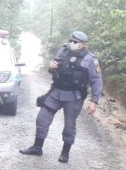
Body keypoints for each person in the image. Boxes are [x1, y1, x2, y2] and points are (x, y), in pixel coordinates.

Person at [19, 31, 103, 163]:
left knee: (69, 125)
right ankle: (37, 147)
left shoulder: (90, 59)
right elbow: (54, 67)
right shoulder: (63, 52)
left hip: (74, 96)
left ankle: (65, 153)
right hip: (56, 92)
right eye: (71, 41)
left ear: (83, 44)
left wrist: (94, 101)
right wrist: (51, 66)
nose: (72, 44)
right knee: (42, 118)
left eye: (75, 42)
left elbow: (96, 81)